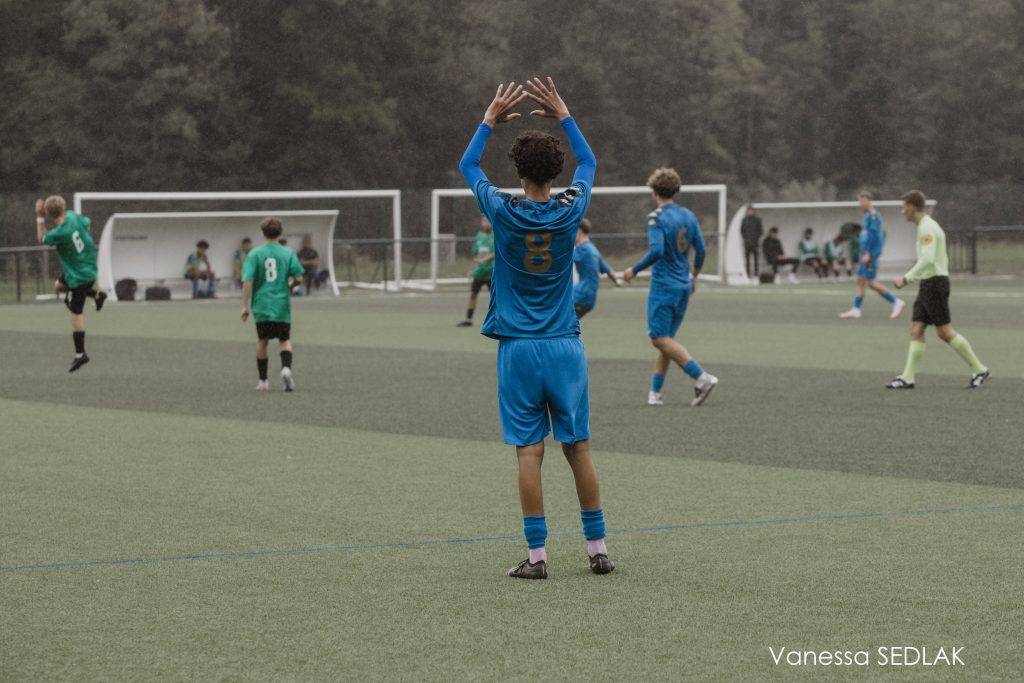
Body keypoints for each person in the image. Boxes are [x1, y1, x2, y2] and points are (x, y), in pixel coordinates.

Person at [459, 77, 612, 579]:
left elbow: (468, 165)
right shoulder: (572, 208)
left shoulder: (502, 210)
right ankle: (598, 550)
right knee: (580, 448)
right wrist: (565, 114)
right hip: (566, 344)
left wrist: (488, 120)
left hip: (520, 349)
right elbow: (589, 163)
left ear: (518, 172)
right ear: (557, 171)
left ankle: (538, 557)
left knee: (530, 450)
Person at [623, 167, 718, 407]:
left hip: (664, 285)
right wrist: (693, 276)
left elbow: (657, 251)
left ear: (654, 191)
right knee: (667, 339)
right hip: (683, 286)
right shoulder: (688, 215)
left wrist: (633, 270)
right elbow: (702, 250)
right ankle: (655, 393)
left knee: (658, 338)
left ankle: (701, 376)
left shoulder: (656, 218)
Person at [886, 191, 990, 390]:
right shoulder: (924, 226)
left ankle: (980, 369)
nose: (902, 211)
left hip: (934, 283)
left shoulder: (927, 227)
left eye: (904, 207)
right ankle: (908, 378)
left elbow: (928, 259)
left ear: (912, 207)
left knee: (944, 332)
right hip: (927, 284)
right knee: (916, 329)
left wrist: (906, 278)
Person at [34, 196, 106, 372]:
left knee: (76, 314)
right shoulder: (73, 216)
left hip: (79, 277)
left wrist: (39, 216)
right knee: (58, 286)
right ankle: (96, 295)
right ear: (64, 207)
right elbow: (87, 224)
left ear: (50, 214)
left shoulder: (59, 234)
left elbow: (41, 238)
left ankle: (80, 354)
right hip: (87, 267)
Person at [240, 218, 305, 392]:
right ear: (280, 233)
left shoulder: (254, 254)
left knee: (263, 341)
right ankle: (286, 369)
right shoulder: (288, 253)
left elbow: (247, 281)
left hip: (262, 305)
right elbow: (299, 277)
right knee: (284, 340)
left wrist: (244, 306)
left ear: (262, 233)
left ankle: (263, 381)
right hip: (281, 304)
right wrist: (290, 285)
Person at [839, 192, 904, 319]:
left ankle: (896, 302)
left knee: (871, 283)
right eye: (860, 201)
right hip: (865, 253)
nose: (861, 204)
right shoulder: (868, 216)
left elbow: (874, 235)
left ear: (869, 201)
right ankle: (856, 309)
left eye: (863, 201)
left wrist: (868, 253)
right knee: (860, 280)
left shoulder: (873, 216)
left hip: (870, 255)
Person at [572, 217, 620, 318]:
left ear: (579, 231)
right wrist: (617, 281)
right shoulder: (593, 250)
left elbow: (562, 260)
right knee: (567, 326)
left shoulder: (582, 249)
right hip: (589, 299)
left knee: (560, 325)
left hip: (579, 296)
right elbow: (609, 271)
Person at [456, 216, 495, 327]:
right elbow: (476, 255)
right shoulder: (478, 236)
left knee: (494, 297)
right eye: (484, 221)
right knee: (473, 294)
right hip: (479, 273)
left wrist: (484, 260)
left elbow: (495, 252)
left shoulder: (495, 235)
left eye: (488, 221)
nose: (485, 223)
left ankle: (497, 320)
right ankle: (468, 319)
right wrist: (471, 269)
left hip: (490, 272)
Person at [739, 206, 764, 278]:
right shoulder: (744, 220)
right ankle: (748, 274)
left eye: (751, 211)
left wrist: (756, 239)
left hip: (755, 243)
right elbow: (742, 231)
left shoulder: (757, 220)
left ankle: (756, 274)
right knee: (747, 260)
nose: (750, 212)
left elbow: (760, 231)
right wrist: (746, 239)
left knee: (756, 260)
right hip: (747, 244)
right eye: (748, 211)